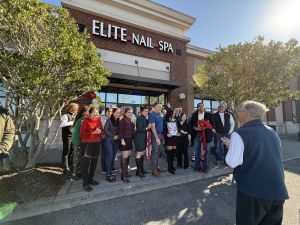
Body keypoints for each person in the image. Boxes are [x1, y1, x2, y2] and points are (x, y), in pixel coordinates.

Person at [223, 101, 288, 225]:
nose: (238, 115)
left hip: (253, 193)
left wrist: (231, 148)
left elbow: (232, 162)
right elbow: (262, 151)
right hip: (277, 191)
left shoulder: (240, 133)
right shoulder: (271, 131)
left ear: (246, 113)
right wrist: (235, 146)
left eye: (239, 112)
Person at [80, 106, 104, 192]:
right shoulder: (86, 120)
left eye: (97, 113)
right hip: (87, 144)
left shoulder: (98, 120)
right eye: (94, 113)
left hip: (96, 143)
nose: (96, 114)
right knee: (86, 163)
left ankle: (91, 179)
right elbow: (82, 133)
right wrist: (93, 132)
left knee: (94, 162)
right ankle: (85, 183)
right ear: (89, 113)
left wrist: (100, 132)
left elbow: (103, 131)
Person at [190, 102, 213, 172]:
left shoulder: (209, 114)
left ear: (204, 107)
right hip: (197, 134)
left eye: (202, 106)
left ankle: (206, 167)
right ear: (197, 108)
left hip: (206, 134)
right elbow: (191, 125)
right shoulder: (194, 115)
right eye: (199, 106)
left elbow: (212, 124)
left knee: (207, 150)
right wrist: (195, 128)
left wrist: (205, 127)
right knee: (197, 150)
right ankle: (197, 166)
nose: (201, 107)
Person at [71, 106, 88, 180]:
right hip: (78, 141)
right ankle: (74, 175)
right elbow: (83, 133)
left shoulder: (79, 119)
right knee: (77, 157)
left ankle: (78, 173)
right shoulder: (82, 120)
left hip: (77, 140)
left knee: (79, 156)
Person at [60, 103, 79, 173]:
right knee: (66, 151)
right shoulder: (65, 115)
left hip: (73, 136)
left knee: (72, 151)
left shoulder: (74, 116)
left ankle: (70, 166)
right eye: (76, 109)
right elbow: (62, 124)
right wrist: (72, 122)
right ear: (72, 108)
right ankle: (65, 168)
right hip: (67, 136)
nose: (76, 110)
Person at [118, 107, 135, 183]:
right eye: (129, 112)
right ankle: (123, 176)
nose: (130, 114)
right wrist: (122, 140)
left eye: (131, 112)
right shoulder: (123, 121)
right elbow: (120, 131)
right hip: (124, 140)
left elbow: (132, 132)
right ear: (125, 113)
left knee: (128, 156)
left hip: (129, 140)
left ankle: (126, 173)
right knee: (124, 157)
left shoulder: (130, 120)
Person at [104, 107, 121, 182]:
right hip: (109, 141)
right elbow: (105, 130)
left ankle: (110, 170)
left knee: (113, 156)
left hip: (116, 141)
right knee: (110, 156)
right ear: (113, 113)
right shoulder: (109, 120)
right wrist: (113, 136)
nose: (118, 114)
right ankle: (108, 173)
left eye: (119, 113)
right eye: (117, 113)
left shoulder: (119, 121)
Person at [134, 106, 151, 178]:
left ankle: (141, 169)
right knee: (139, 153)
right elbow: (140, 129)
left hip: (143, 138)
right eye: (145, 111)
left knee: (142, 153)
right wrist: (148, 127)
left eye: (147, 111)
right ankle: (139, 171)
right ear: (141, 112)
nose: (146, 113)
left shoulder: (144, 118)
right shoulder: (140, 118)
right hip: (139, 138)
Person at [148, 103, 164, 176]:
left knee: (159, 151)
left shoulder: (161, 114)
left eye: (161, 107)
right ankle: (153, 169)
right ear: (155, 107)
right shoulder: (152, 115)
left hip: (161, 134)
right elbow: (152, 127)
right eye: (159, 107)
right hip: (155, 135)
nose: (160, 108)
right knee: (155, 151)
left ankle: (157, 166)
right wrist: (157, 138)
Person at [164, 110, 178, 174]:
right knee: (169, 154)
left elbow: (177, 128)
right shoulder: (165, 121)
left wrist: (178, 132)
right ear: (170, 114)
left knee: (173, 153)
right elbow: (163, 130)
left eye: (174, 113)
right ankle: (170, 168)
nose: (174, 114)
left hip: (174, 138)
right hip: (169, 138)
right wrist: (166, 134)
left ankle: (172, 166)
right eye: (173, 113)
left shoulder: (175, 120)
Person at [100, 107, 112, 174]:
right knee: (104, 153)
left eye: (111, 111)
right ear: (106, 112)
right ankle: (104, 168)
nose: (109, 113)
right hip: (104, 138)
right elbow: (104, 128)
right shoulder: (102, 118)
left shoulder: (112, 119)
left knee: (111, 153)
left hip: (111, 139)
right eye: (108, 111)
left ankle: (110, 166)